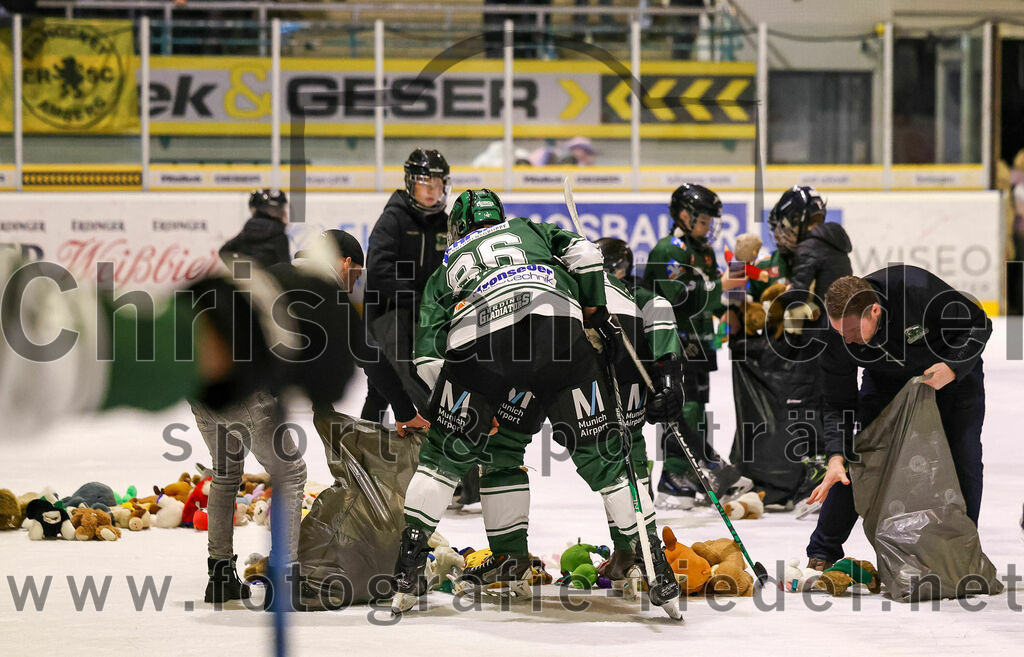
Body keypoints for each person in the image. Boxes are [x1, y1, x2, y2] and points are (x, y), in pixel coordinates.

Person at [394, 189, 681, 618]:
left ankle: (412, 571)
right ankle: (653, 564)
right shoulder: (531, 230)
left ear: (458, 229)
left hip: (483, 343)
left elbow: (427, 358)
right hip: (565, 336)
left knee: (454, 458)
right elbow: (586, 255)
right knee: (612, 458)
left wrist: (458, 416)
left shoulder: (446, 266)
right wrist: (595, 308)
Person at [803, 267, 991, 570]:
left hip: (949, 374)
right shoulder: (836, 334)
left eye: (852, 332)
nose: (847, 341)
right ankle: (823, 551)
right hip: (887, 378)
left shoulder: (915, 289)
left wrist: (953, 367)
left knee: (963, 455)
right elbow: (838, 403)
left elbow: (979, 324)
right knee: (858, 457)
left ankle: (961, 555)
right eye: (841, 333)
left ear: (874, 311)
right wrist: (836, 455)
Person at [642, 184, 747, 509]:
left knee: (699, 409)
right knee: (683, 408)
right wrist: (721, 287)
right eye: (703, 220)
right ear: (684, 215)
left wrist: (726, 310)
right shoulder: (667, 250)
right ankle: (673, 478)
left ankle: (697, 475)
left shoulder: (704, 251)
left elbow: (708, 294)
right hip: (676, 343)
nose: (709, 227)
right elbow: (677, 298)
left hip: (701, 345)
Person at [219, 189, 290, 269]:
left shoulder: (247, 232)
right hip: (270, 280)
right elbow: (286, 268)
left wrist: (242, 272)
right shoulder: (279, 235)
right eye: (281, 209)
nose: (285, 213)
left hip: (248, 280)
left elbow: (224, 251)